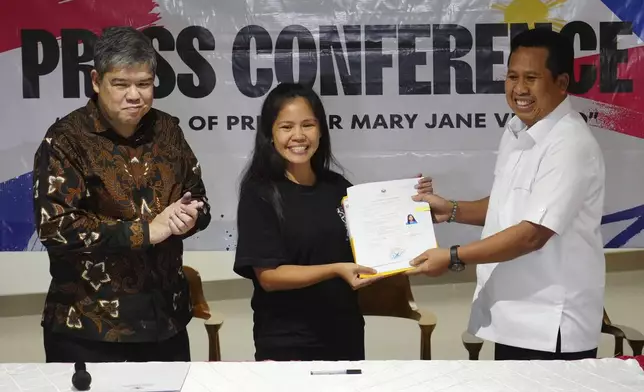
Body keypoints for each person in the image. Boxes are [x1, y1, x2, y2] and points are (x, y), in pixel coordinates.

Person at [408, 29, 606, 361]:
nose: (519, 89)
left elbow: (532, 234)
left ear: (561, 83)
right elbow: (507, 204)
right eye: (512, 77)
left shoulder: (569, 144)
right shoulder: (516, 130)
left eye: (531, 78)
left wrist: (453, 256)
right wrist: (452, 209)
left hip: (549, 325)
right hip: (511, 314)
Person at [33, 26, 211, 363]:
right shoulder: (65, 140)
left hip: (165, 322)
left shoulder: (168, 131)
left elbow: (199, 199)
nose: (135, 95)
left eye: (144, 84)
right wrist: (148, 231)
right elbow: (56, 227)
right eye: (121, 84)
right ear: (97, 81)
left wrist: (191, 217)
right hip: (89, 325)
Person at [233, 82, 432, 361]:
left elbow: (373, 244)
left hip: (345, 334)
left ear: (321, 129)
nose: (299, 136)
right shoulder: (260, 193)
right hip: (287, 341)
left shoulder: (338, 187)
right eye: (286, 127)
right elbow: (269, 277)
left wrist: (413, 209)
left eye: (308, 125)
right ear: (270, 134)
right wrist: (335, 270)